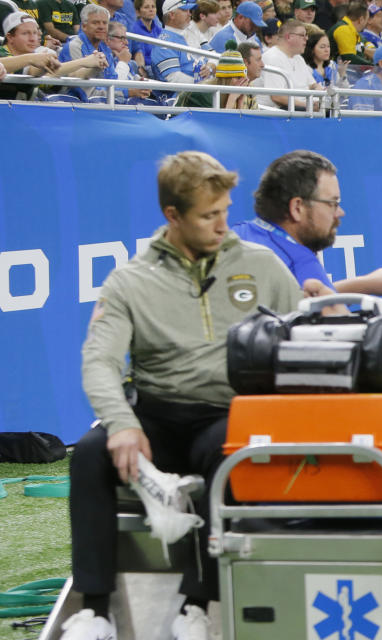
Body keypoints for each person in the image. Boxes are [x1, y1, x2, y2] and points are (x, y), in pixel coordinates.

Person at [63, 151, 304, 640]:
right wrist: (122, 424)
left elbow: (300, 334)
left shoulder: (261, 265)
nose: (222, 225)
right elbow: (100, 361)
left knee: (230, 453)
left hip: (227, 414)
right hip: (156, 416)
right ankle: (94, 612)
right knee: (88, 455)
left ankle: (197, 605)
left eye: (225, 211)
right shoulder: (129, 280)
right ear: (172, 216)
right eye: (207, 215)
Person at [233, 150, 382, 296]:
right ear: (297, 208)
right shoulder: (300, 262)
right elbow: (332, 315)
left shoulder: (234, 236)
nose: (340, 212)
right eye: (332, 203)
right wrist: (367, 285)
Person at [258, 19, 319, 110]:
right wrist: (308, 106)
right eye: (302, 35)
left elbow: (312, 85)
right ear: (289, 37)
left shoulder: (298, 58)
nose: (306, 38)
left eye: (306, 35)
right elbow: (277, 97)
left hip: (300, 108)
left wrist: (323, 94)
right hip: (279, 112)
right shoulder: (273, 58)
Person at [175, 42, 257, 107]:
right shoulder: (205, 94)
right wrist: (232, 100)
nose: (242, 82)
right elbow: (218, 126)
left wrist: (239, 103)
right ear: (225, 78)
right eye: (238, 77)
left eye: (243, 77)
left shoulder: (236, 92)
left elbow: (237, 124)